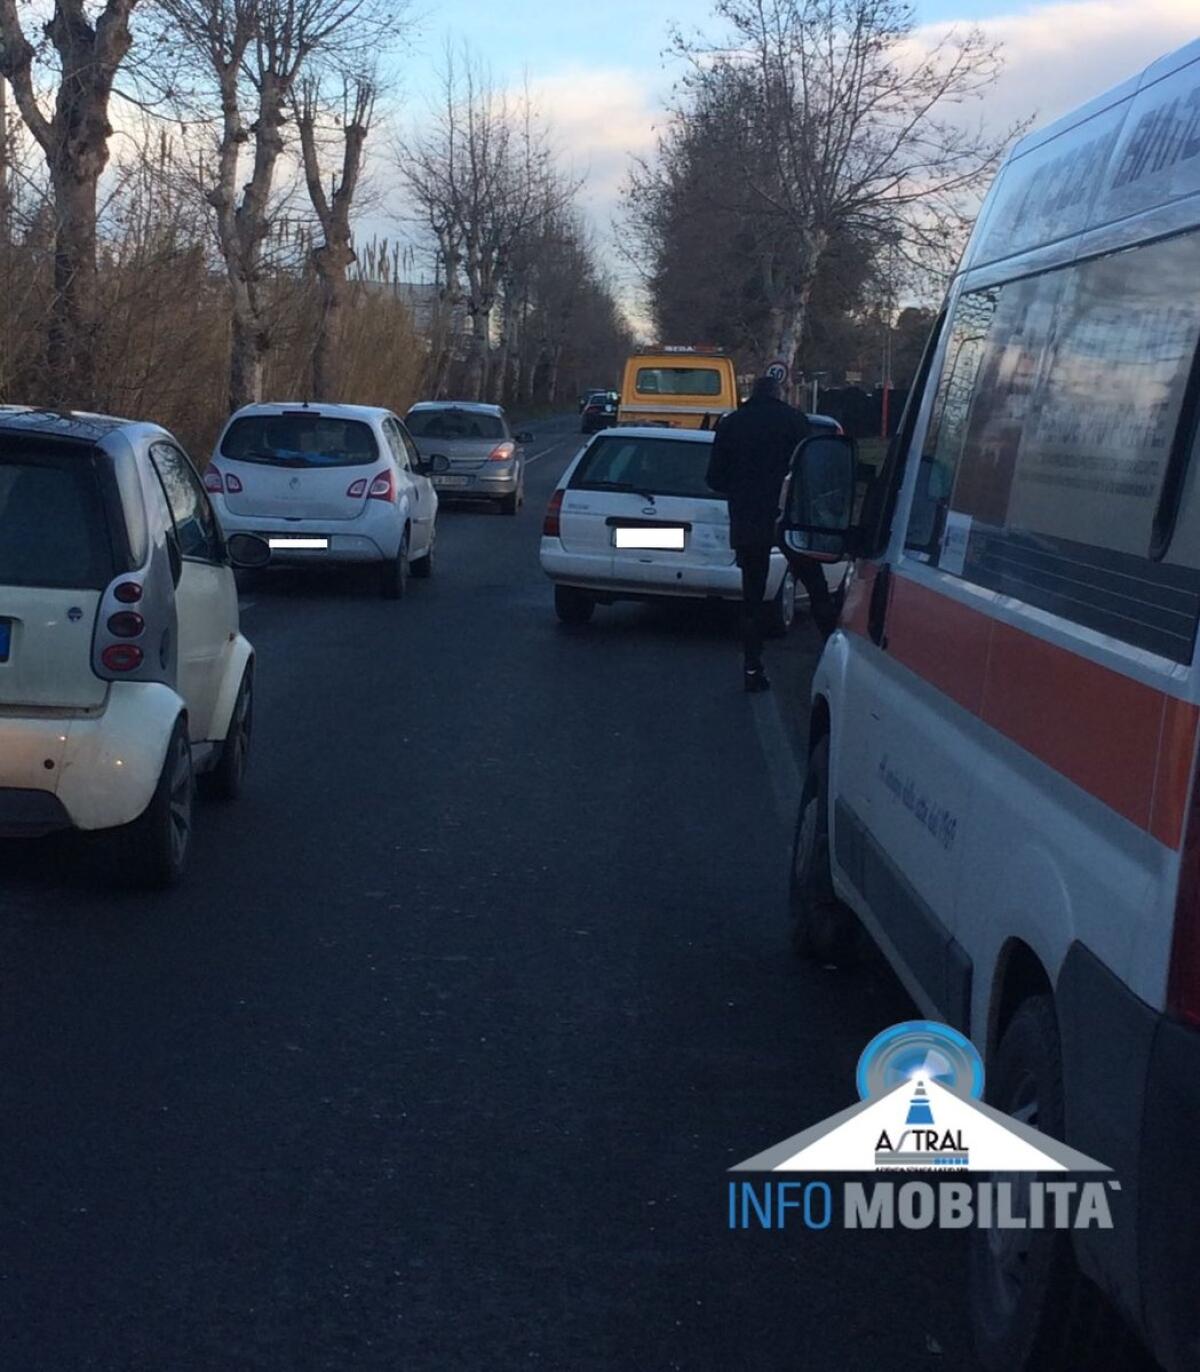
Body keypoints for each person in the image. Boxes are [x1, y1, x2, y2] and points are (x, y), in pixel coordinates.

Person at [706, 375, 832, 692]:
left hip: (749, 521)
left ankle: (752, 667)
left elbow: (714, 479)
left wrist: (741, 488)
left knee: (753, 597)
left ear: (752, 394)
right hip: (790, 519)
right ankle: (833, 657)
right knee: (816, 588)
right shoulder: (796, 422)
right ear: (780, 393)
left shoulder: (732, 424)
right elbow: (812, 473)